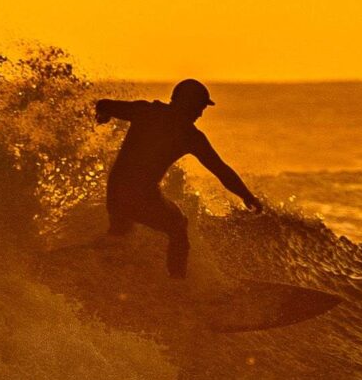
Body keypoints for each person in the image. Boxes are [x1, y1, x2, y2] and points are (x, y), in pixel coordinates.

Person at [94, 78, 263, 278]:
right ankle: (178, 284)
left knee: (120, 231)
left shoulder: (146, 111)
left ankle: (99, 271)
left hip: (115, 191)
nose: (200, 113)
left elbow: (103, 104)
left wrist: (103, 115)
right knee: (178, 226)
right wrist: (248, 197)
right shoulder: (189, 135)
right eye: (200, 107)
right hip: (141, 195)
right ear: (189, 104)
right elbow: (221, 170)